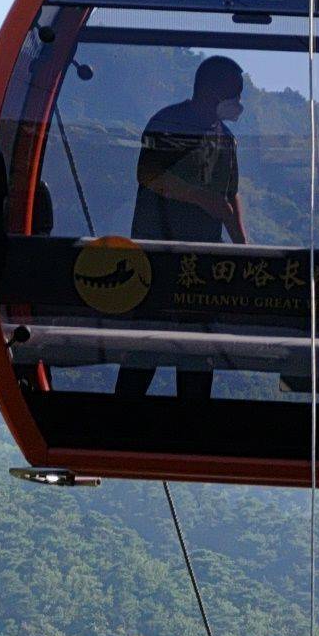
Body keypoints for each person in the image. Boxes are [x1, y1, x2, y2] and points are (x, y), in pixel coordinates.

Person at [116, 56, 248, 399]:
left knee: (198, 352)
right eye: (235, 92)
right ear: (212, 89)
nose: (239, 101)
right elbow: (148, 174)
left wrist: (245, 250)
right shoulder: (169, 123)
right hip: (156, 258)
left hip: (202, 265)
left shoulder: (226, 139)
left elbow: (230, 196)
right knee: (145, 345)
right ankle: (121, 420)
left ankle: (192, 422)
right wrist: (201, 198)